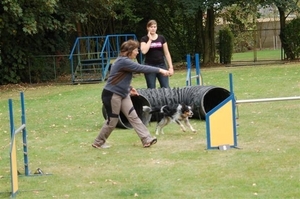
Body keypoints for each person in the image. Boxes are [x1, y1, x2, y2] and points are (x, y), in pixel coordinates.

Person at [92, 39, 170, 149]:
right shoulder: (123, 61)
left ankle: (147, 139)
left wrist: (130, 88)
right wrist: (160, 70)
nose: (137, 52)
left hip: (123, 94)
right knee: (112, 120)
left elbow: (119, 78)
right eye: (136, 50)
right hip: (112, 95)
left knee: (134, 116)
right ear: (129, 51)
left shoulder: (124, 61)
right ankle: (98, 142)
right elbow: (141, 68)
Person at [140, 19, 174, 89]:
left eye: (155, 27)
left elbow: (167, 53)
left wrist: (170, 67)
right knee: (151, 88)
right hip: (149, 66)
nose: (153, 29)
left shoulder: (161, 38)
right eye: (151, 27)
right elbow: (144, 51)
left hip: (161, 64)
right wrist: (150, 40)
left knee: (166, 87)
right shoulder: (144, 39)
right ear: (148, 28)